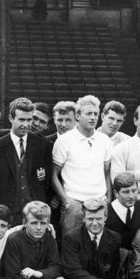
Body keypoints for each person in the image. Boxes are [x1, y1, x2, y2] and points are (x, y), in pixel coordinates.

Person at [0, 98, 52, 225]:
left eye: (29, 120)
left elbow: (46, 182)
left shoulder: (43, 145)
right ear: (11, 118)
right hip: (6, 213)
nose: (26, 125)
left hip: (34, 214)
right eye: (21, 120)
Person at [53, 95, 113, 235]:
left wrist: (108, 199)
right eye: (88, 113)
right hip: (74, 204)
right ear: (78, 116)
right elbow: (53, 174)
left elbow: (107, 172)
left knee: (97, 246)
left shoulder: (105, 140)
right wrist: (66, 201)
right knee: (71, 247)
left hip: (99, 202)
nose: (93, 117)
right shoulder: (64, 140)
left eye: (95, 114)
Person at [106, 172, 140, 251]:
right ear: (116, 193)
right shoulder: (106, 213)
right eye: (126, 192)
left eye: (134, 191)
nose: (131, 196)